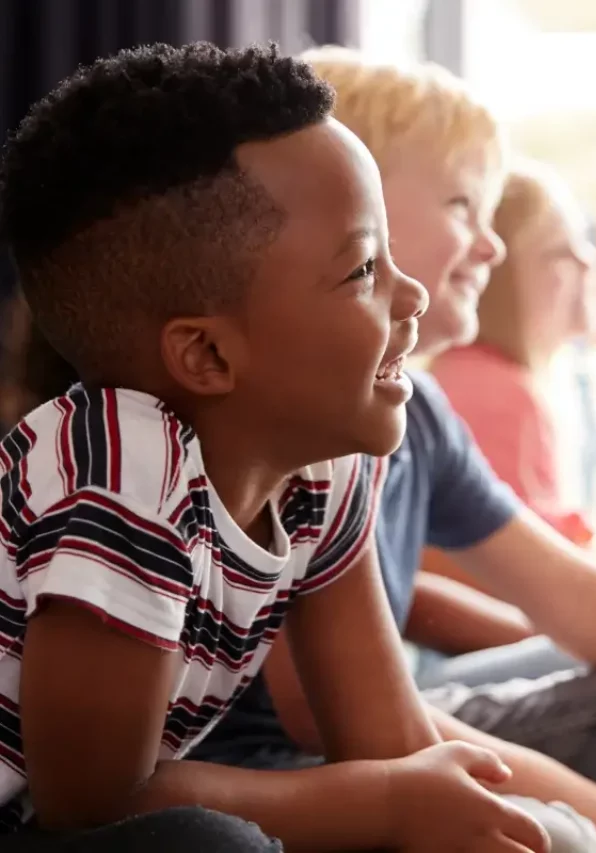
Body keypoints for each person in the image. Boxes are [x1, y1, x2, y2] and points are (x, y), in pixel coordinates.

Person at [0, 42, 554, 853]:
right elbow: (89, 802)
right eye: (364, 268)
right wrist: (389, 805)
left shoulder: (323, 468)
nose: (413, 295)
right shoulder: (120, 465)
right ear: (209, 356)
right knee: (206, 843)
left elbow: (388, 738)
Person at [192, 48, 596, 853]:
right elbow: (335, 713)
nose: (492, 247)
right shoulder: (307, 419)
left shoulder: (417, 408)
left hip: (382, 706)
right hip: (295, 756)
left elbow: (567, 592)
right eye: (466, 205)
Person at [432, 159, 596, 546]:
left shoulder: (470, 371)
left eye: (583, 242)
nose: (588, 261)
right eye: (561, 251)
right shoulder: (504, 395)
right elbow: (533, 565)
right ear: (498, 277)